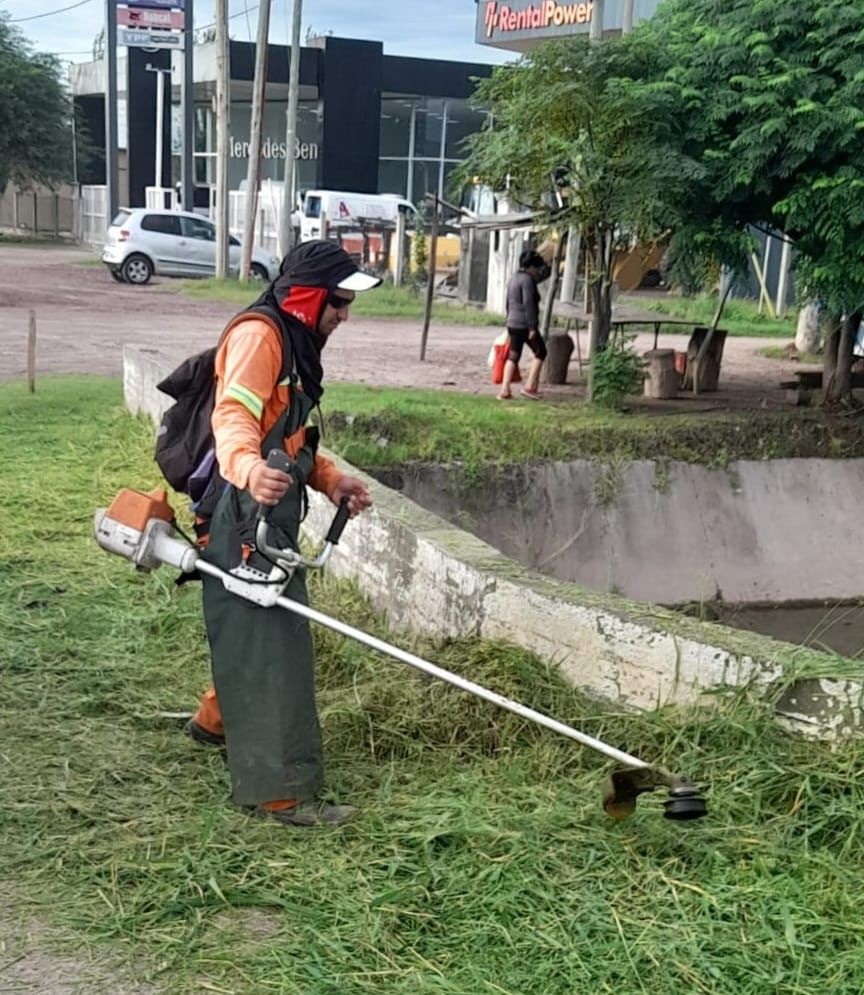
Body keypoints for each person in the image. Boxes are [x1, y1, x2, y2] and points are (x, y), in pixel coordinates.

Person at [185, 240, 380, 828]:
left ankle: (216, 721)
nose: (344, 315)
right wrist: (248, 470)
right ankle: (279, 792)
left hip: (269, 501)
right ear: (305, 298)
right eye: (338, 303)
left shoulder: (296, 347)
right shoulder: (260, 338)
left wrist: (330, 481)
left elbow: (289, 438)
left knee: (255, 624)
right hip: (243, 507)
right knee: (274, 637)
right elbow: (234, 419)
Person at [498, 249, 549, 401]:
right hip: (524, 325)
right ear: (531, 267)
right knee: (541, 352)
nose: (537, 272)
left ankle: (504, 389)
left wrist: (508, 320)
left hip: (512, 323)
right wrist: (532, 327)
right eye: (536, 268)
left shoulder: (513, 278)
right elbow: (529, 304)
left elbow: (508, 302)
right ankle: (530, 387)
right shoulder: (528, 280)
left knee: (514, 355)